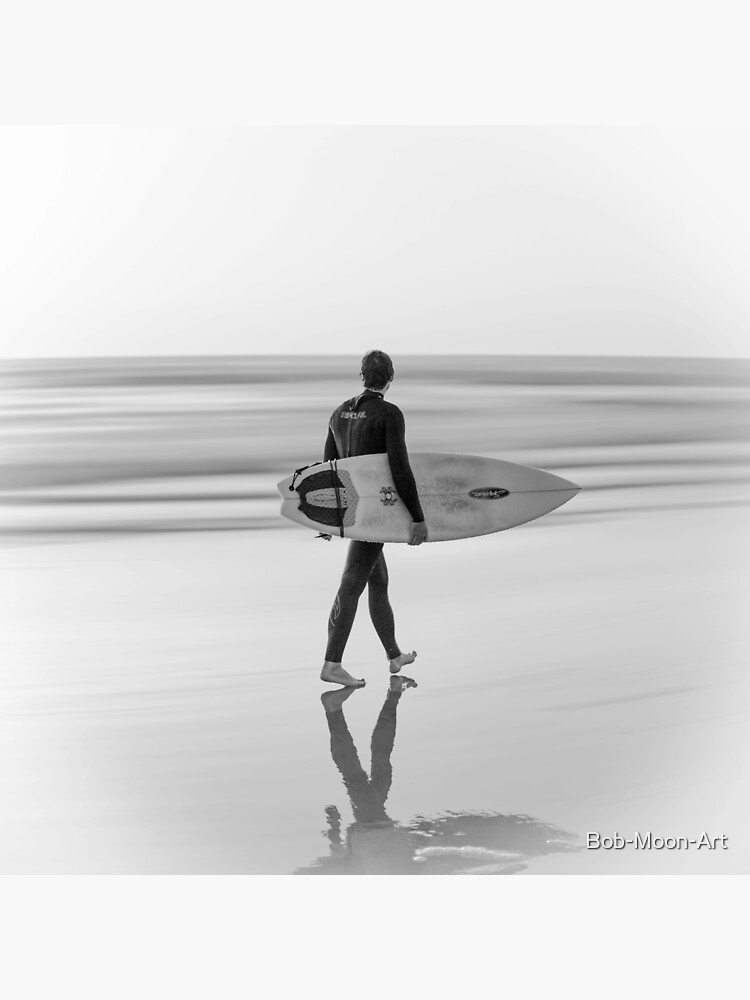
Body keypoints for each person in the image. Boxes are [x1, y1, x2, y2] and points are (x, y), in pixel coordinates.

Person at [320, 350, 428, 687]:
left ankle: (394, 655)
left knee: (376, 579)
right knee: (352, 581)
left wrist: (326, 519)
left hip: (353, 509)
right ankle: (332, 663)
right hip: (375, 513)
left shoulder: (339, 414)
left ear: (362, 375)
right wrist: (417, 517)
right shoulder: (389, 414)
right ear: (390, 377)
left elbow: (329, 469)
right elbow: (400, 469)